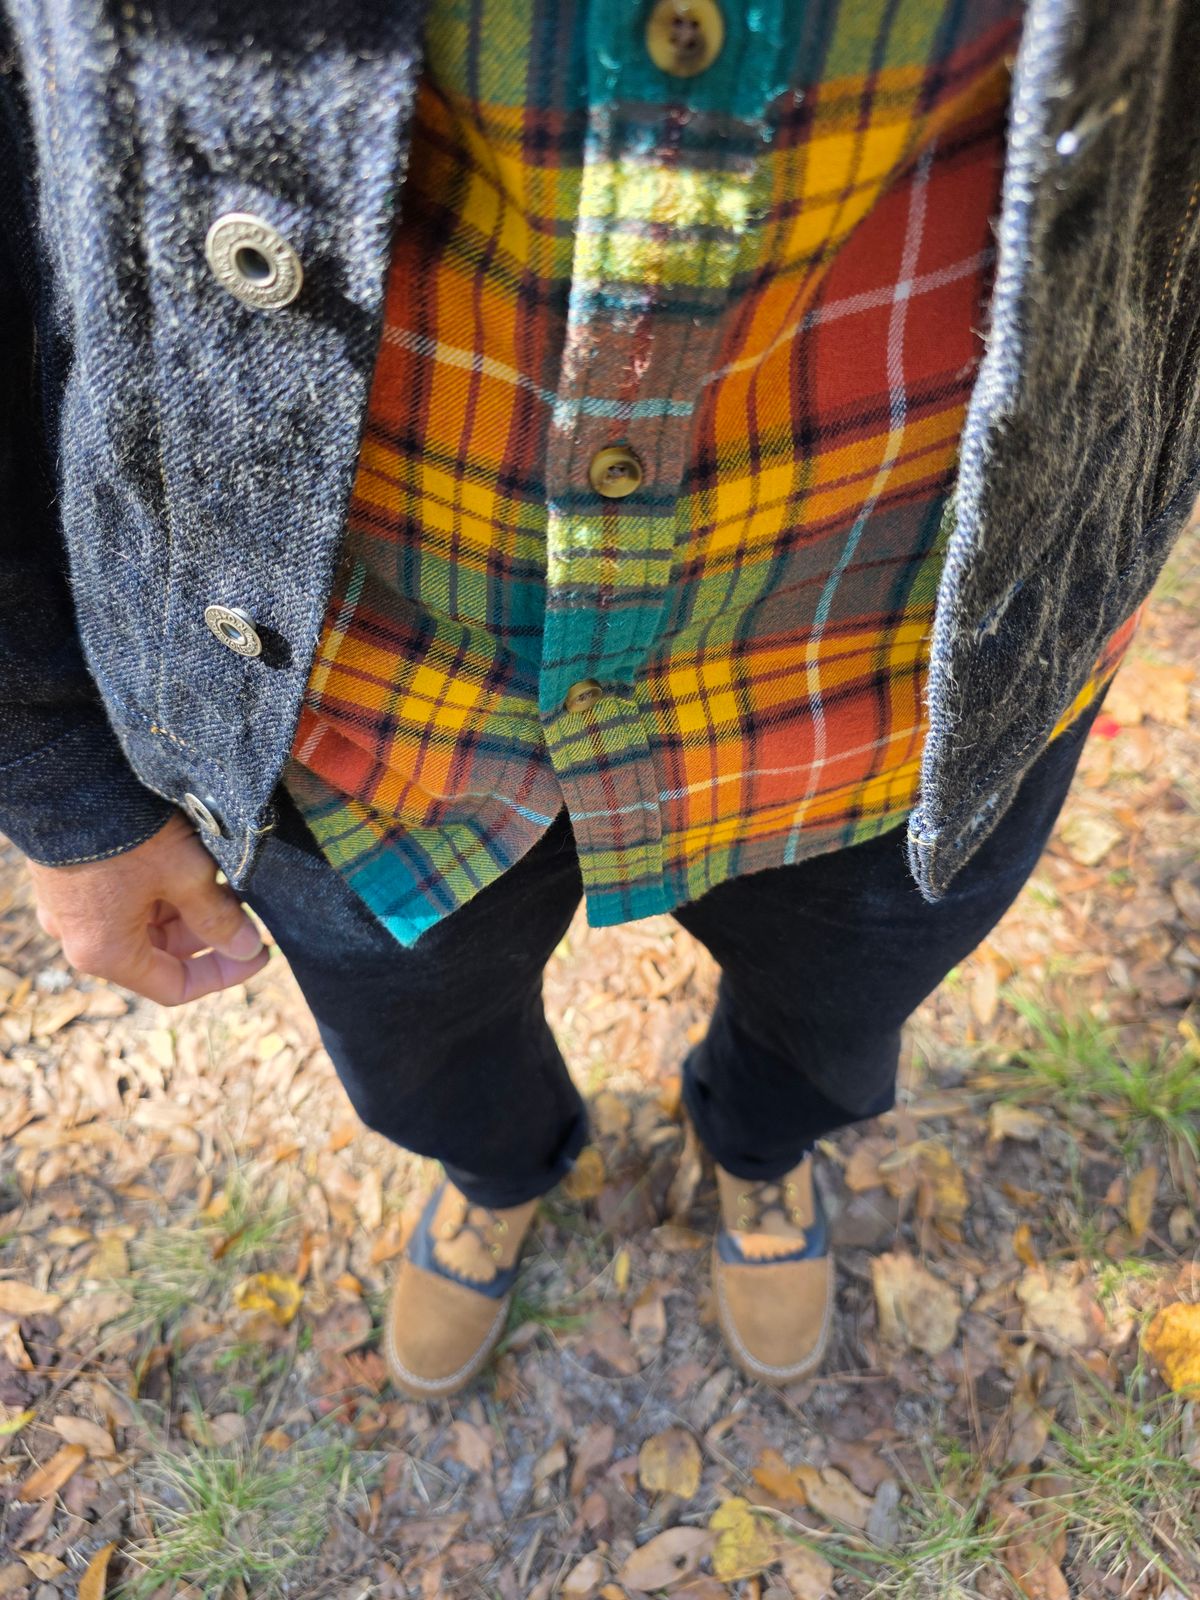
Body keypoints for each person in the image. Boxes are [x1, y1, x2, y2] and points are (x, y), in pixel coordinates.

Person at [0, 0, 1192, 1400]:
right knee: (418, 1056)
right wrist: (51, 762)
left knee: (830, 1027)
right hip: (351, 693)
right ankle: (500, 1164)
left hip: (896, 652)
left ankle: (757, 1154)